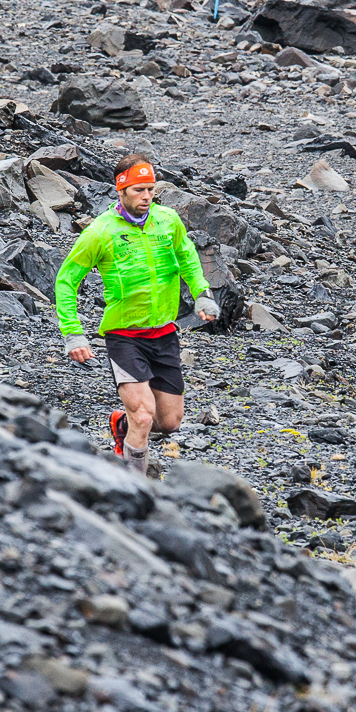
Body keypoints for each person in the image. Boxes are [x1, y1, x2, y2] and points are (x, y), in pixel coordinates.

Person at [55, 154, 218, 475]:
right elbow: (66, 280)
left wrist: (202, 293)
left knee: (169, 422)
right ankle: (133, 486)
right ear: (121, 191)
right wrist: (73, 333)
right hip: (125, 337)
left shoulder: (168, 220)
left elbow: (187, 256)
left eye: (151, 189)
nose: (146, 196)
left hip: (164, 333)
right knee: (143, 416)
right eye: (138, 190)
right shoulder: (100, 231)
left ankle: (123, 425)